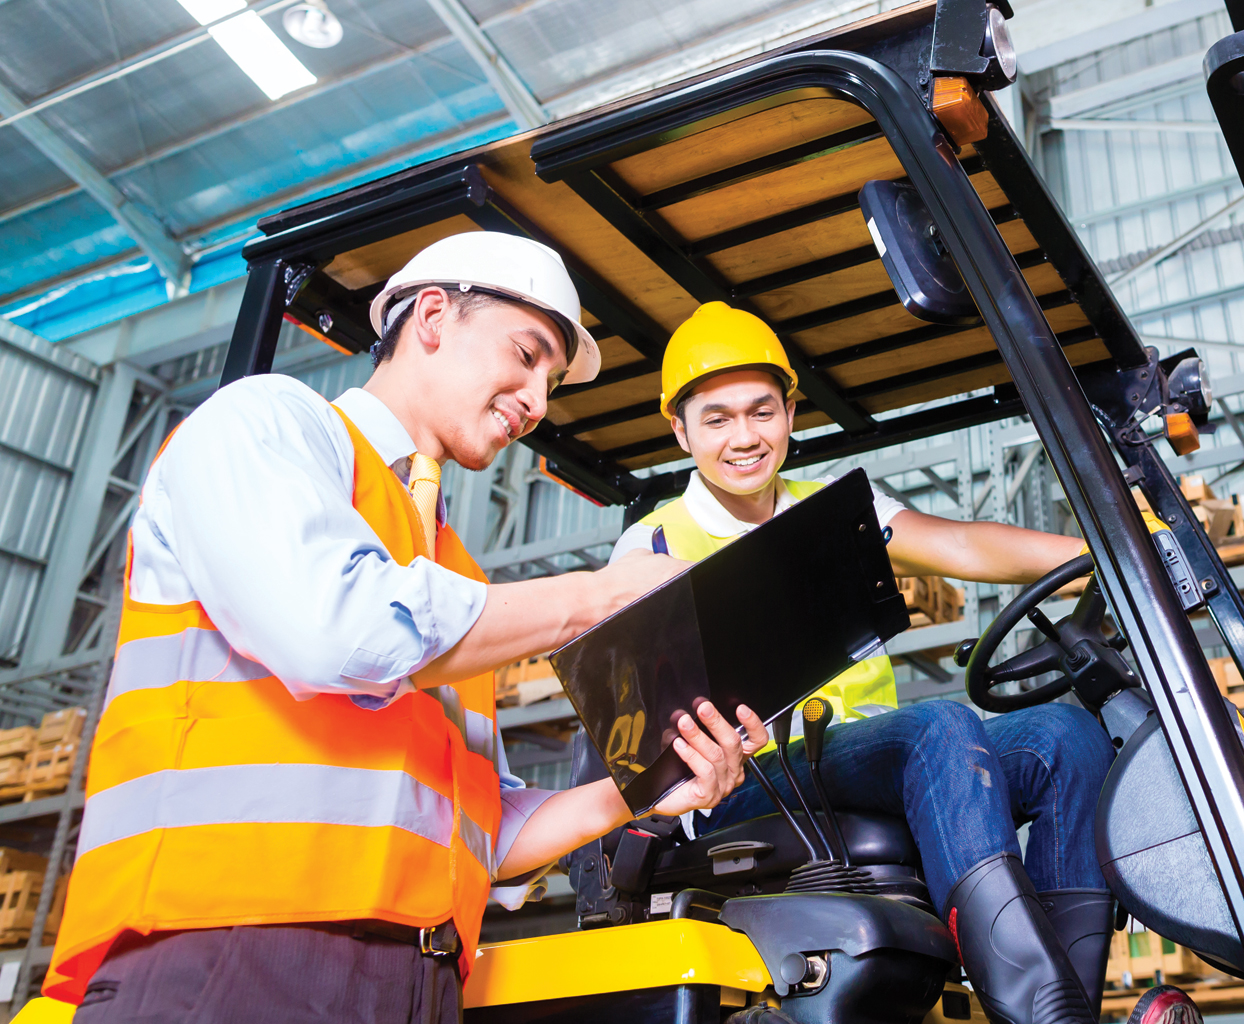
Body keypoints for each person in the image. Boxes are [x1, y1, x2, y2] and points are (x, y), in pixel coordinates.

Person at [43, 233, 768, 1024]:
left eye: (550, 380)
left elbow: (482, 832)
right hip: (229, 952)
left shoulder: (456, 576)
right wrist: (600, 595)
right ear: (431, 316)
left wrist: (651, 787)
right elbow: (333, 632)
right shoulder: (266, 426)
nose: (535, 400)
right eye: (525, 355)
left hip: (417, 980)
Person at [603, 301, 1119, 1024]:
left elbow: (962, 547)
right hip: (748, 778)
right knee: (937, 728)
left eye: (761, 412)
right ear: (680, 429)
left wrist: (1117, 552)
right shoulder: (651, 548)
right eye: (717, 419)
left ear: (790, 411)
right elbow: (632, 721)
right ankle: (1038, 1007)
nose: (745, 438)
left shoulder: (837, 509)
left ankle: (1065, 1004)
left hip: (863, 759)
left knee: (1065, 740)